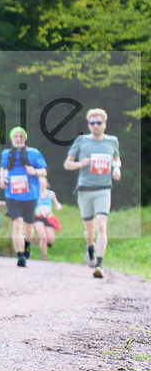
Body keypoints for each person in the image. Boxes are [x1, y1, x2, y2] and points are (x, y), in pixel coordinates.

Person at [64, 108, 121, 278]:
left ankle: (100, 264)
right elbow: (68, 164)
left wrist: (117, 169)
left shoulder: (112, 141)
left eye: (99, 123)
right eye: (92, 123)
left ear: (105, 124)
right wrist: (80, 164)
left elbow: (116, 159)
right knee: (90, 231)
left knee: (102, 225)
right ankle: (90, 248)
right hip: (85, 189)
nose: (95, 126)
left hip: (103, 189)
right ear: (88, 125)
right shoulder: (81, 141)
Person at [0, 126, 47, 268]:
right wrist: (2, 178)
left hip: (30, 195)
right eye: (16, 137)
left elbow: (44, 171)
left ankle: (27, 245)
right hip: (12, 195)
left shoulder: (34, 153)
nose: (18, 139)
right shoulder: (5, 154)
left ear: (25, 138)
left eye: (21, 137)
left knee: (28, 227)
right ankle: (20, 255)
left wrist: (35, 172)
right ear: (12, 139)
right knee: (17, 224)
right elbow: (3, 168)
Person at [33, 176, 63, 261]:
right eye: (39, 183)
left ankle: (48, 243)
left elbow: (56, 203)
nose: (41, 184)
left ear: (47, 184)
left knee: (50, 240)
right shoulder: (35, 193)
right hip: (37, 218)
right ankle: (44, 255)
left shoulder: (51, 194)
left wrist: (58, 206)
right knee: (43, 236)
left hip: (48, 218)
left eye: (43, 182)